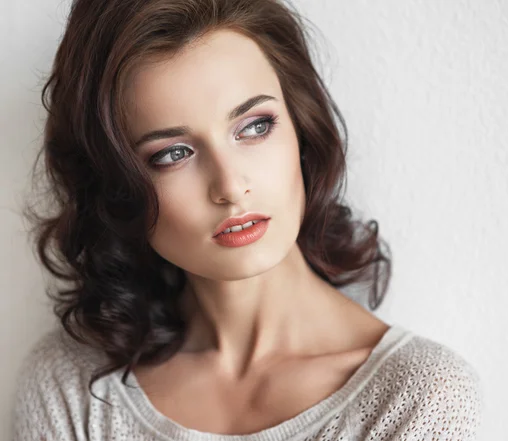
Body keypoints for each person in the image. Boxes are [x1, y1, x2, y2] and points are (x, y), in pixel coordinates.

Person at [11, 0, 482, 439]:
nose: (231, 187)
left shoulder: (418, 398)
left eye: (254, 126)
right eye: (174, 153)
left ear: (302, 128)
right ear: (116, 188)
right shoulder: (72, 387)